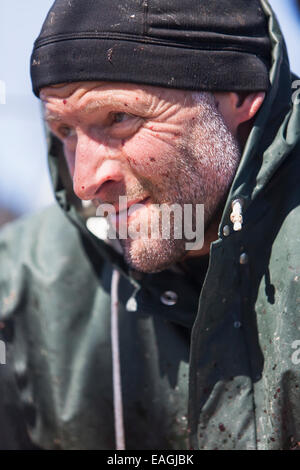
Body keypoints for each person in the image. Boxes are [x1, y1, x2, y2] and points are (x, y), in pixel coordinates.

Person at [0, 0, 299, 450]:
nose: (84, 182)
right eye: (64, 132)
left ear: (238, 95)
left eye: (119, 118)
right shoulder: (19, 288)